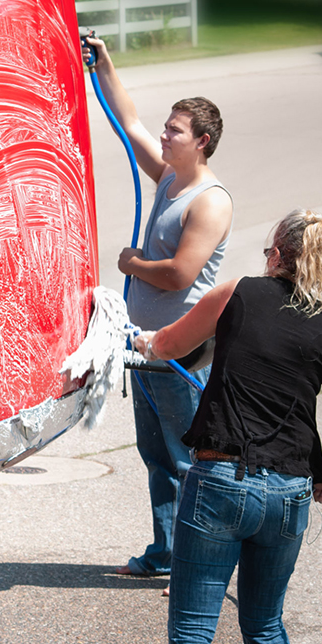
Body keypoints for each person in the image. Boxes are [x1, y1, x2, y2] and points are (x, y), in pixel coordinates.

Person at [134, 209, 322, 644]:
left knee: (192, 632)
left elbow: (167, 346)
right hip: (290, 492)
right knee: (264, 626)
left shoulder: (237, 293)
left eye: (269, 251)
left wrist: (136, 340)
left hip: (221, 481)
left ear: (279, 255)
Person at [81, 37, 235, 579]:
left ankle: (200, 565)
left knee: (192, 461)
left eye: (176, 130)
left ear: (202, 142)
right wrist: (103, 64)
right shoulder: (170, 176)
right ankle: (166, 552)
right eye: (167, 127)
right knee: (158, 457)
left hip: (181, 351)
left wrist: (131, 264)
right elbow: (128, 120)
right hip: (145, 349)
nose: (164, 135)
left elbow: (180, 274)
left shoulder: (209, 200)